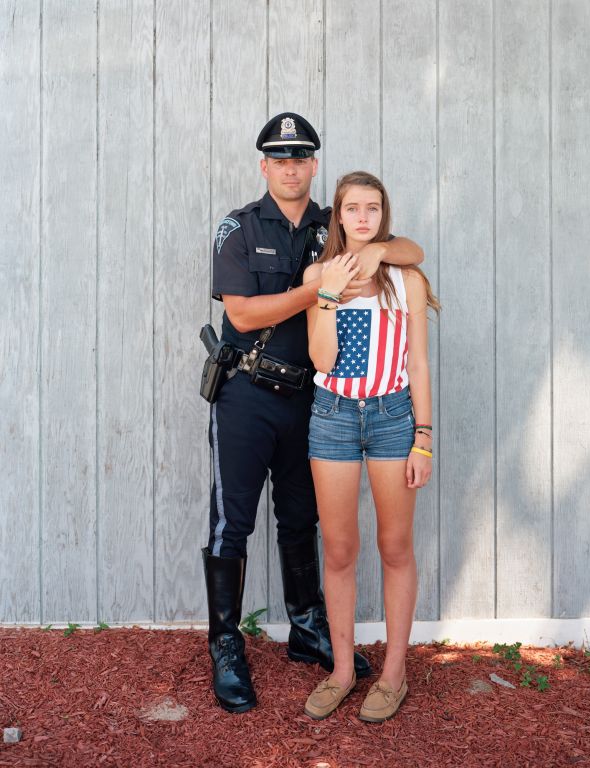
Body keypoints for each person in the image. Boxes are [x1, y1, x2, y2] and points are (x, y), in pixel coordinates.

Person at [202, 114, 424, 714]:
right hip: (247, 393)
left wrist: (376, 251)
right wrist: (319, 286)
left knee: (303, 520)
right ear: (264, 165)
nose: (292, 166)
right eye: (280, 158)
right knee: (233, 522)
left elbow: (408, 250)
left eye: (302, 157)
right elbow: (244, 315)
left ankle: (308, 630)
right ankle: (226, 644)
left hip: (313, 399)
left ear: (315, 165)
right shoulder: (240, 227)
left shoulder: (334, 223)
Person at [302, 171, 439, 723]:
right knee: (338, 549)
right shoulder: (319, 274)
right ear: (337, 215)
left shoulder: (406, 277)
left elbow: (417, 362)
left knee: (394, 545)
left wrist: (423, 439)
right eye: (352, 208)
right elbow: (322, 361)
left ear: (384, 216)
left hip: (391, 417)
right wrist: (329, 297)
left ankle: (394, 673)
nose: (362, 217)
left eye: (373, 208)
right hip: (332, 416)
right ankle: (341, 670)